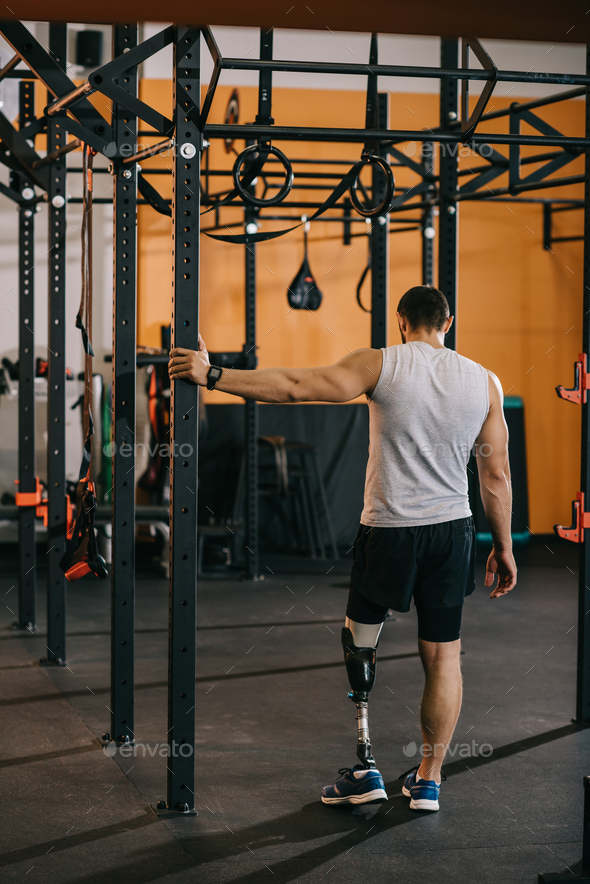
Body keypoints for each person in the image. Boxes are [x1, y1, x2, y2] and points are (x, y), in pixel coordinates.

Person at [168, 284, 517, 813]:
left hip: (390, 530)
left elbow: (295, 386)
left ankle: (366, 766)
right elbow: (495, 474)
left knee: (360, 642)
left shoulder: (381, 364)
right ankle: (428, 779)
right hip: (452, 531)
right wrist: (504, 546)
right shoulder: (485, 381)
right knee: (444, 656)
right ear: (448, 323)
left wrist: (212, 375)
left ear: (401, 321)